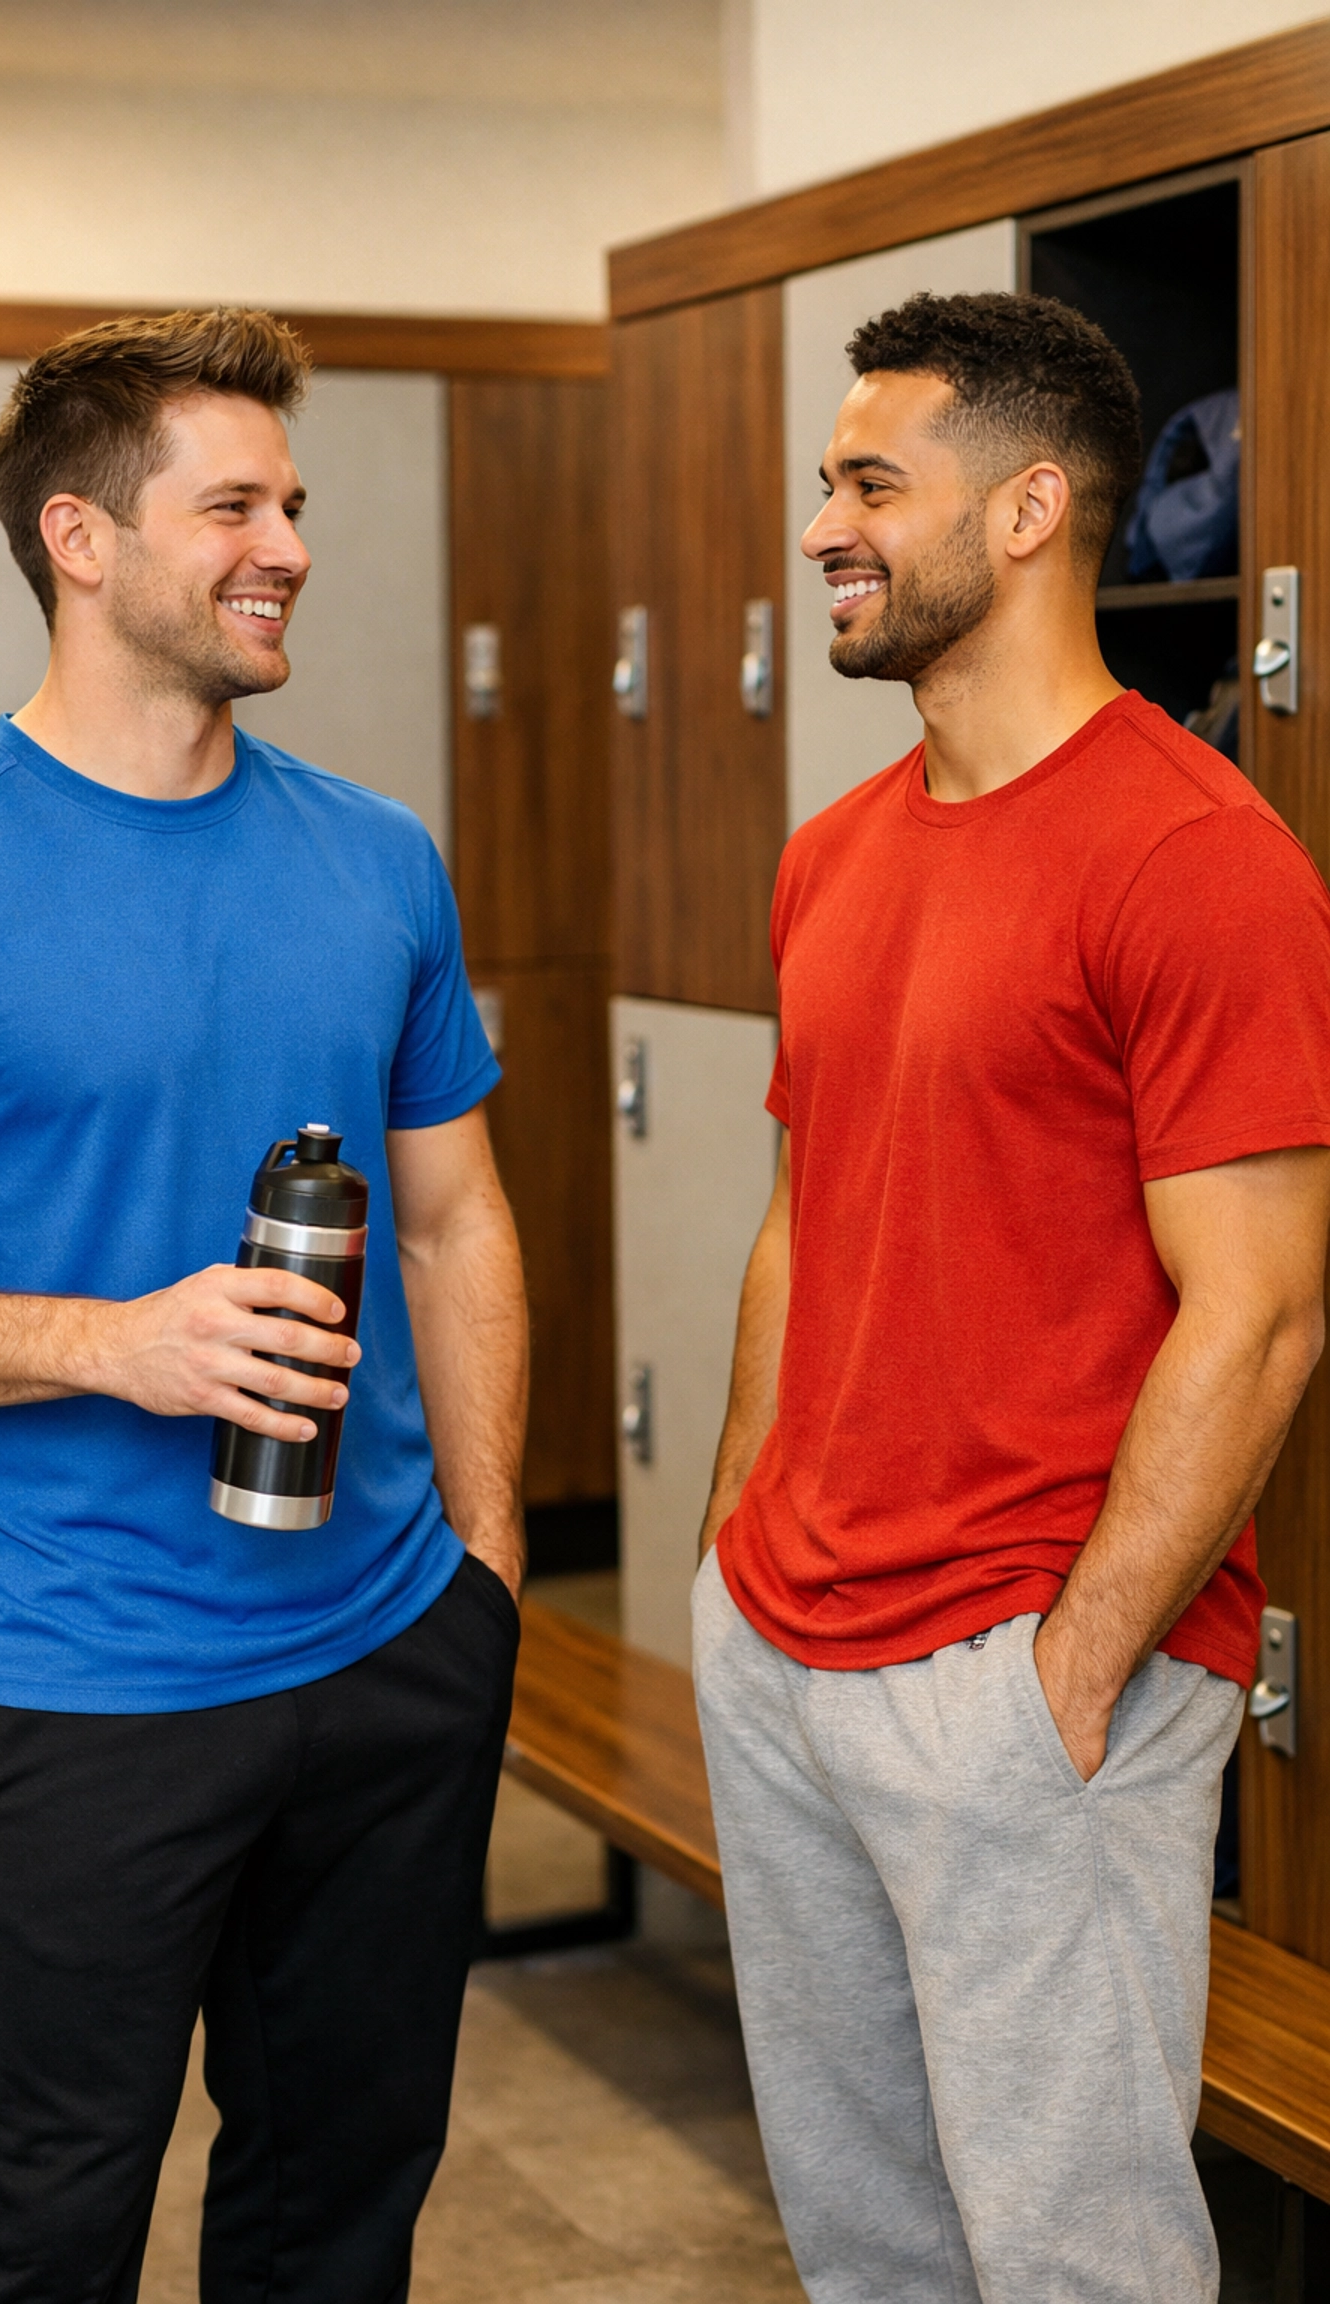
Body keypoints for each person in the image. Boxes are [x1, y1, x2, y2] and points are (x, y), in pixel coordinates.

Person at [0, 307, 528, 2304]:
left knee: (339, 2213)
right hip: (79, 1693)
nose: (286, 540)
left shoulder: (377, 859)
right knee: (37, 2240)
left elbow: (458, 1220)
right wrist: (112, 1341)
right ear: (82, 539)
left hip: (389, 1664)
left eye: (293, 500)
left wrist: (485, 1559)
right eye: (233, 504)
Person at [693, 290, 1330, 2303]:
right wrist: (731, 1559)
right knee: (869, 2242)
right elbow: (806, 1219)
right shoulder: (833, 854)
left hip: (1023, 1673)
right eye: (825, 485)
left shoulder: (1192, 857)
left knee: (1074, 2261)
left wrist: (1075, 1677)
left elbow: (1260, 1315)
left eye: (874, 484)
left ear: (1033, 507)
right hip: (791, 1644)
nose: (823, 530)